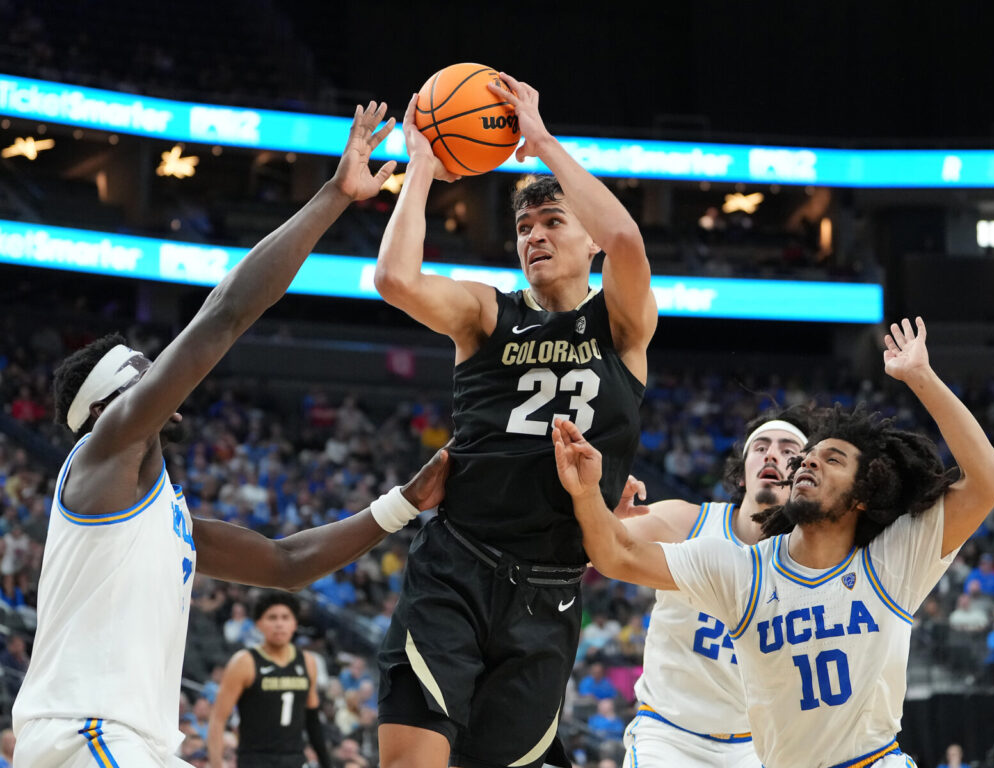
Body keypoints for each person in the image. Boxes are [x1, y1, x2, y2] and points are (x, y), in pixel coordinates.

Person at [11, 103, 453, 768]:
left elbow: (287, 565)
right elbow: (225, 313)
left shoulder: (165, 513)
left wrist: (403, 503)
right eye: (141, 373)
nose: (159, 378)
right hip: (89, 731)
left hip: (134, 742)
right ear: (106, 409)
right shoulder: (103, 453)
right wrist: (334, 196)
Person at [552, 317, 994, 768]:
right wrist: (588, 494)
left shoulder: (892, 560)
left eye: (827, 457)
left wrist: (921, 377)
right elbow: (614, 552)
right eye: (804, 457)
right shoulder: (739, 566)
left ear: (864, 494)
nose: (803, 462)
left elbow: (988, 480)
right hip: (675, 738)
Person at [372, 72, 658, 768]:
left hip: (550, 590)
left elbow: (624, 235)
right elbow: (395, 281)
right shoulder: (487, 312)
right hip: (457, 566)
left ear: (587, 241)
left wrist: (543, 141)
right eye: (524, 227)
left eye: (553, 222)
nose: (534, 236)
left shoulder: (622, 326)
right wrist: (422, 169)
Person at [614, 409, 810, 767]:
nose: (771, 454)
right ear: (742, 474)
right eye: (761, 447)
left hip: (756, 747)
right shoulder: (688, 522)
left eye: (788, 449)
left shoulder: (812, 559)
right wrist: (608, 518)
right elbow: (597, 553)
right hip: (669, 735)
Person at [208, 592, 329, 768]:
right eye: (272, 618)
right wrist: (216, 765)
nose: (279, 624)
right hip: (255, 760)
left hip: (294, 759)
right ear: (258, 624)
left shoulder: (308, 662)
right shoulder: (244, 662)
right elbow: (218, 719)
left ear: (295, 623)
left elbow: (313, 722)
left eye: (285, 617)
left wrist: (327, 763)